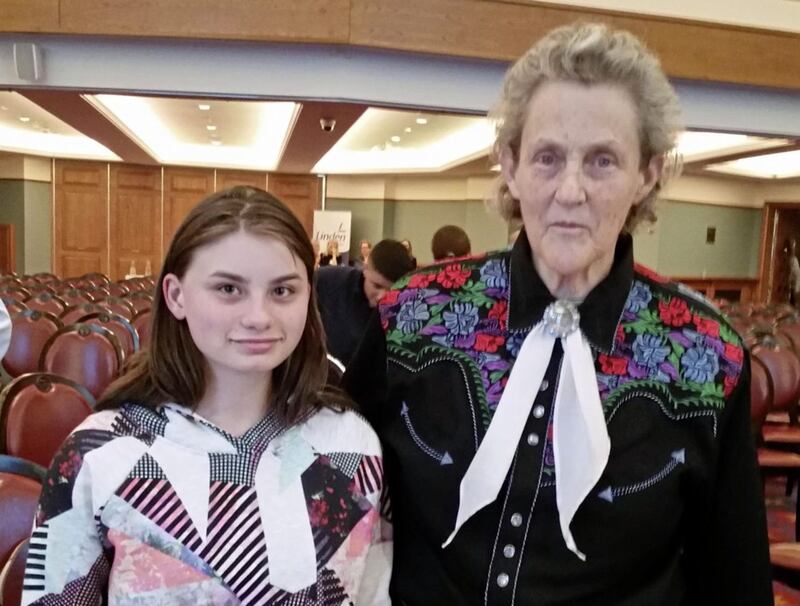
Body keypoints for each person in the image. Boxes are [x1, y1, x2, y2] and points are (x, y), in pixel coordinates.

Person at [345, 22, 772, 605]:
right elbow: (336, 489)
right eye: (548, 158)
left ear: (646, 173)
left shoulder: (708, 355)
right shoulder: (412, 314)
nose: (571, 191)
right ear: (511, 165)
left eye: (602, 161)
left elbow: (733, 579)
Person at [22, 187, 390, 605]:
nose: (258, 317)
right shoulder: (98, 452)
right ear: (176, 296)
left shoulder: (353, 443)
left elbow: (371, 591)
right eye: (229, 289)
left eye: (282, 291)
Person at [316, 238, 414, 366]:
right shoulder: (328, 280)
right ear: (365, 269)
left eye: (392, 291)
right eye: (377, 286)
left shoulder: (409, 310)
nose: (382, 296)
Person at [789, 239, 800, 305]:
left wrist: (796, 289)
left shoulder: (794, 260)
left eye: (793, 247)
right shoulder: (784, 258)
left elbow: (798, 274)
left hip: (792, 288)